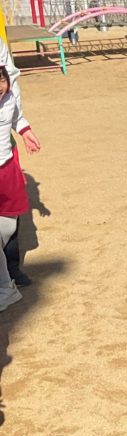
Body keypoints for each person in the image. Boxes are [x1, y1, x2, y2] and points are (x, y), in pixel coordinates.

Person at [0, 65, 40, 312]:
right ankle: (6, 289)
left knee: (8, 228)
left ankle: (7, 285)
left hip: (7, 172)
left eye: (2, 80)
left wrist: (25, 131)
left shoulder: (10, 99)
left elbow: (16, 117)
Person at [0, 40, 30, 288]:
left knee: (9, 214)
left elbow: (9, 74)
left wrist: (21, 126)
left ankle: (11, 267)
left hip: (4, 151)